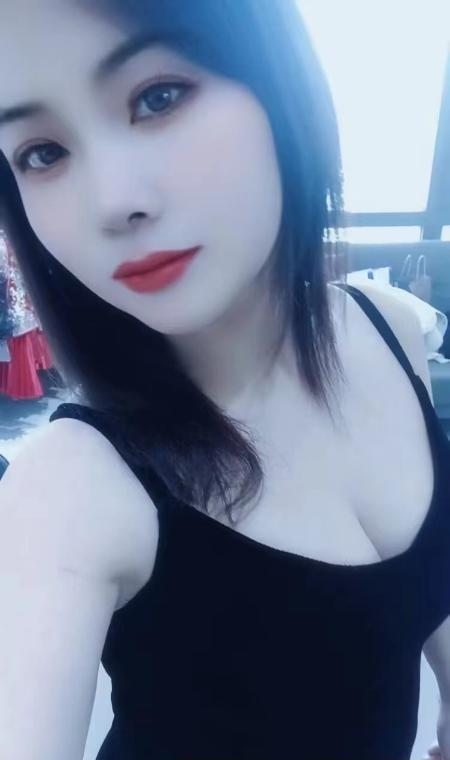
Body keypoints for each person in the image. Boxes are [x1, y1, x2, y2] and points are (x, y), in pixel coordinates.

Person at [0, 1, 449, 759]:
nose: (114, 201)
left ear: (278, 82)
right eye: (42, 153)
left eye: (158, 96)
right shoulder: (68, 491)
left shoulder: (388, 328)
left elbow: (420, 579)